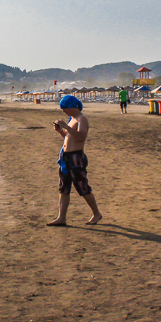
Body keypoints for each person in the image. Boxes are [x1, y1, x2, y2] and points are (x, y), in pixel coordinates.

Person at [47, 95, 103, 226]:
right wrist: (60, 131)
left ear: (73, 106)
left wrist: (66, 126)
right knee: (64, 188)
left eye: (65, 108)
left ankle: (96, 213)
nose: (64, 111)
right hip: (66, 157)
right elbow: (69, 137)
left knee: (82, 187)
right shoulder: (72, 119)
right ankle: (61, 218)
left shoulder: (82, 119)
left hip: (76, 157)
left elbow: (80, 137)